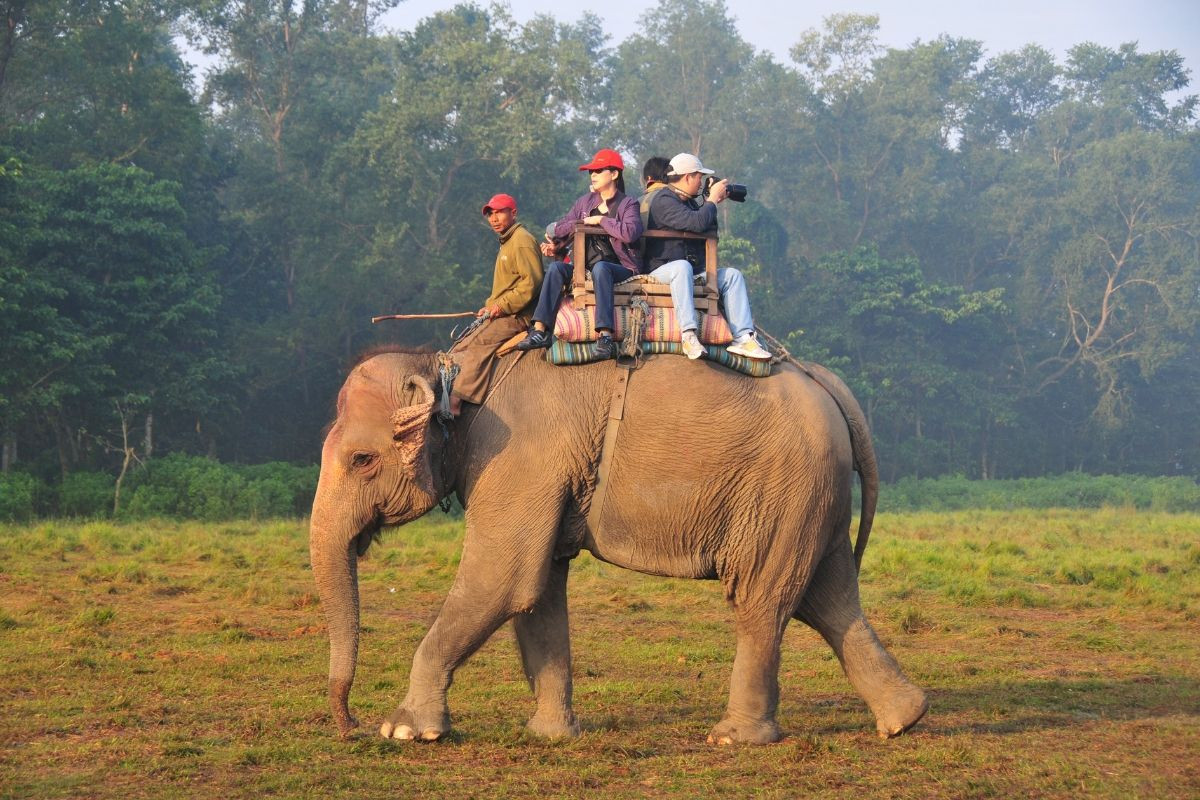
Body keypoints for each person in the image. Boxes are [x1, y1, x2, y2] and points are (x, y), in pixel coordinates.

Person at [515, 148, 643, 359]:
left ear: (614, 174)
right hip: (585, 266)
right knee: (556, 268)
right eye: (591, 171)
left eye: (599, 170)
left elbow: (630, 233)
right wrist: (579, 226)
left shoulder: (628, 204)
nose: (592, 175)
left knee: (602, 268)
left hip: (620, 267)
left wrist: (601, 220)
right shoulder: (585, 202)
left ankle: (605, 335)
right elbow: (558, 228)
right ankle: (540, 330)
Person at [644, 152, 771, 361]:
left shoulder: (691, 202)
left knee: (732, 275)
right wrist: (710, 200)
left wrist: (711, 202)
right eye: (699, 177)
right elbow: (695, 223)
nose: (701, 182)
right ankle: (688, 334)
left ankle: (743, 337)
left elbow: (709, 230)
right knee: (681, 266)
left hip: (692, 272)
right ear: (688, 177)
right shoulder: (664, 199)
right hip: (663, 270)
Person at [448, 193, 544, 415]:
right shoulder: (507, 242)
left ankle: (456, 402)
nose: (494, 218)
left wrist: (501, 307)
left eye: (500, 212)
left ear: (513, 213)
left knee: (480, 343)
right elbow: (506, 285)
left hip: (518, 316)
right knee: (462, 343)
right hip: (504, 311)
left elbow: (531, 284)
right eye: (490, 214)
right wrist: (490, 305)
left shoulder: (521, 241)